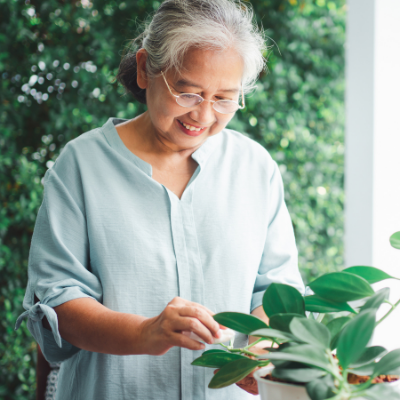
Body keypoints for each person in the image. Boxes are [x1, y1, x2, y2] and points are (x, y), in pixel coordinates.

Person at [16, 0, 305, 399]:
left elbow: (278, 291)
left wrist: (259, 348)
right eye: (188, 93)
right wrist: (145, 332)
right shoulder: (81, 166)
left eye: (224, 99)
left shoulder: (255, 168)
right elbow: (58, 304)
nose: (203, 116)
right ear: (144, 69)